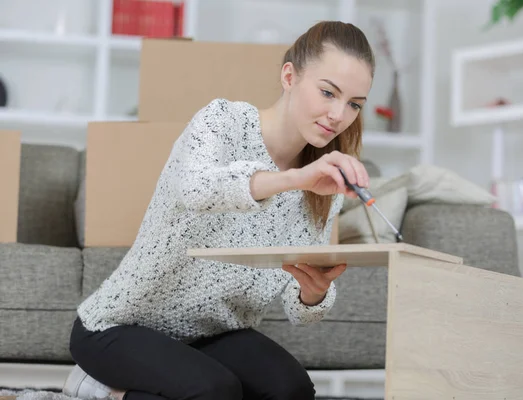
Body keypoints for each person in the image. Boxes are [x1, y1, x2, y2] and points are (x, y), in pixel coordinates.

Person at [63, 20, 375, 400]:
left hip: (212, 333)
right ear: (289, 76)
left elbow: (299, 307)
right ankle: (98, 388)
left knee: (291, 390)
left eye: (354, 104)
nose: (338, 115)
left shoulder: (325, 185)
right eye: (328, 92)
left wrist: (315, 292)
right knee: (215, 392)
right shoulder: (224, 121)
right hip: (119, 326)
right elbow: (198, 188)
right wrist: (293, 179)